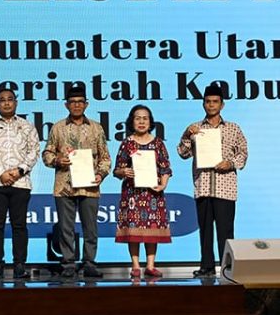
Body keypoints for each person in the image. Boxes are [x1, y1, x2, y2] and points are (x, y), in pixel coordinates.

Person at [177, 85, 248, 278]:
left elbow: (243, 154)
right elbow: (183, 153)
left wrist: (230, 163)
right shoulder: (195, 128)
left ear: (222, 105)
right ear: (203, 104)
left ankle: (228, 268)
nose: (211, 105)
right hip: (203, 186)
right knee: (205, 231)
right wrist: (187, 135)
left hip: (226, 188)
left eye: (215, 101)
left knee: (226, 232)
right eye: (208, 101)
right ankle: (206, 267)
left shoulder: (233, 128)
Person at [42, 84, 111, 279]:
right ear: (66, 105)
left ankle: (89, 263)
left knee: (91, 227)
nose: (77, 105)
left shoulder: (96, 128)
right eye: (73, 102)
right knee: (66, 227)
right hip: (65, 185)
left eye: (80, 102)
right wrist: (57, 160)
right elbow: (47, 153)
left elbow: (105, 158)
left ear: (86, 104)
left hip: (90, 185)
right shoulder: (58, 128)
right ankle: (68, 263)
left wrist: (101, 174)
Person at [0, 88, 40, 280]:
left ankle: (19, 265)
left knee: (19, 225)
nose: (6, 103)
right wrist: (1, 173)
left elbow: (34, 151)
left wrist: (19, 171)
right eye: (2, 100)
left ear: (16, 103)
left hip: (21, 183)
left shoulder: (27, 126)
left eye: (10, 99)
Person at [112, 105, 172, 278]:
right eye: (137, 118)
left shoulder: (158, 143)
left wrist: (163, 185)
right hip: (132, 194)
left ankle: (151, 266)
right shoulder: (126, 144)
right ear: (132, 121)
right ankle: (136, 266)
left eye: (145, 118)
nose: (141, 122)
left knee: (152, 229)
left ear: (150, 122)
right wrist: (124, 171)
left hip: (153, 194)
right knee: (134, 230)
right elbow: (117, 170)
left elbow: (165, 167)